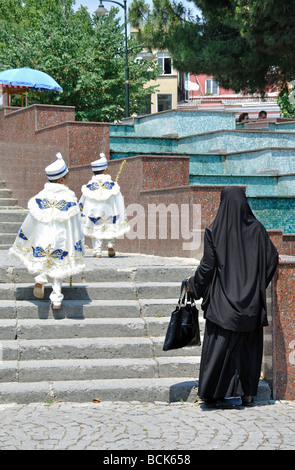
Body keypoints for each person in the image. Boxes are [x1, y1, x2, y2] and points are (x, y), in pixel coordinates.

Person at [187, 186, 279, 408]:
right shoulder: (257, 229)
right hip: (251, 306)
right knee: (247, 350)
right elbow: (273, 258)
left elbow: (207, 268)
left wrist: (193, 286)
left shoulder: (215, 231)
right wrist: (257, 285)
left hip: (223, 305)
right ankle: (247, 393)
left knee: (223, 349)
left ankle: (222, 394)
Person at [9, 152, 85, 309]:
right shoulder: (69, 198)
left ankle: (41, 277)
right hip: (62, 237)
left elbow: (31, 220)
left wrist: (26, 236)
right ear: (62, 179)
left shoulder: (40, 197)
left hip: (43, 236)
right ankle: (56, 298)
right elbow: (76, 222)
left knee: (43, 259)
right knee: (59, 265)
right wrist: (77, 242)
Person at [79, 154, 130, 258]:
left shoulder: (89, 186)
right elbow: (119, 200)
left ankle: (97, 251)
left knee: (96, 228)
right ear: (105, 170)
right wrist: (120, 212)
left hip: (95, 212)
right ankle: (110, 244)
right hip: (109, 210)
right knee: (110, 225)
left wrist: (80, 209)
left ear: (93, 172)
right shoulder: (113, 186)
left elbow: (83, 200)